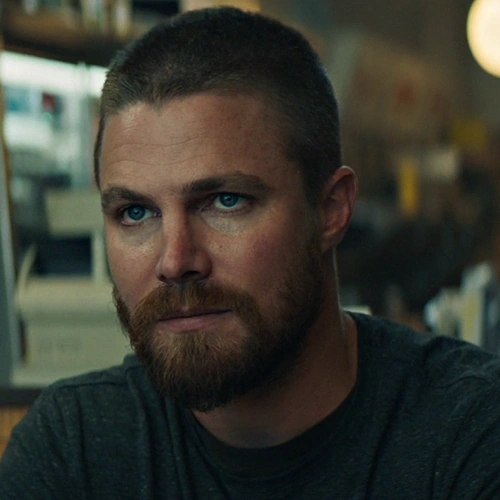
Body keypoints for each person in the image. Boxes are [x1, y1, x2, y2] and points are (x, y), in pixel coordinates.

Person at [1, 6, 500, 499]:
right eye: (135, 212)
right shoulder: (74, 448)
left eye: (226, 201)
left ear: (331, 210)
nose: (175, 261)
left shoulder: (469, 432)